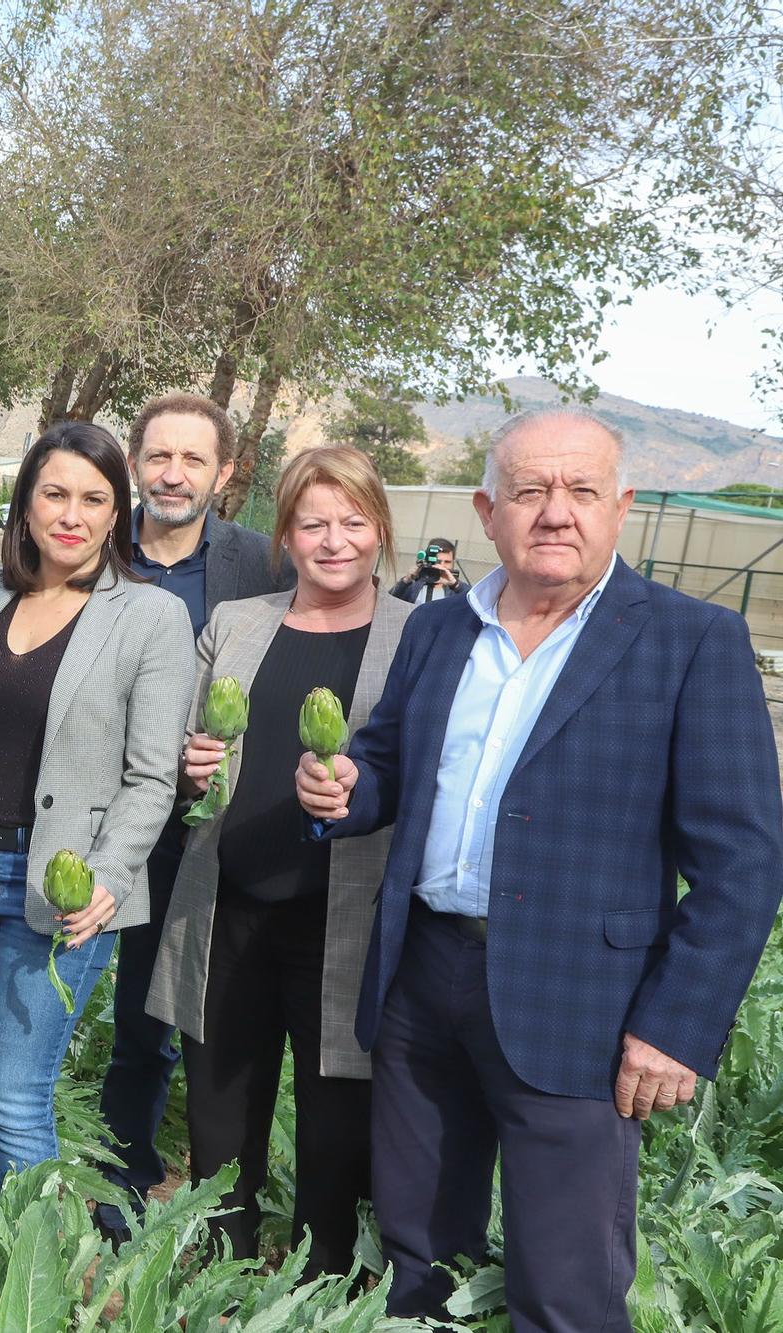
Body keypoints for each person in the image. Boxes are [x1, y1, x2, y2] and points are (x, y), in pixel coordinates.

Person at [297, 408, 783, 1330]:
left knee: (564, 1282)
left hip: (581, 1003)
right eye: (530, 491)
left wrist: (676, 1026)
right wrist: (347, 788)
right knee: (419, 1250)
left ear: (621, 506)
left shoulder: (690, 642)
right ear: (489, 510)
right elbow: (390, 763)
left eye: (582, 490)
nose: (556, 512)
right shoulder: (440, 629)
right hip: (423, 977)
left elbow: (744, 861)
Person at [0, 421, 193, 1204]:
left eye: (94, 498)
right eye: (54, 493)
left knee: (20, 1095)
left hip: (64, 889)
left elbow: (153, 776)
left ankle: (33, 1281)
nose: (73, 513)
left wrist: (106, 875)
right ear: (25, 505)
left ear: (117, 510)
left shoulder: (151, 617)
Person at [146, 445, 412, 1278]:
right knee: (221, 1116)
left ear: (380, 530)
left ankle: (322, 1281)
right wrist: (190, 763)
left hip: (349, 917)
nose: (334, 540)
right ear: (286, 537)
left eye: (353, 521)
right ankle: (220, 1275)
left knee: (338, 1128)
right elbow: (178, 740)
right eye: (312, 522)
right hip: (227, 904)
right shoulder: (238, 623)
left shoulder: (422, 635)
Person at [96, 392, 293, 1239]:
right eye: (159, 456)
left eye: (193, 459)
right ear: (136, 461)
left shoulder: (258, 564)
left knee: (152, 1011)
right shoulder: (93, 544)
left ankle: (126, 1172)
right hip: (87, 813)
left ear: (225, 473)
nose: (173, 473)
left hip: (194, 827)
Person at [391, 536, 470, 604]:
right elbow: (390, 600)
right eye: (438, 561)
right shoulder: (413, 586)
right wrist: (406, 581)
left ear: (453, 563)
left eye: (447, 562)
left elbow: (475, 602)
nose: (441, 566)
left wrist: (455, 585)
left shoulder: (456, 590)